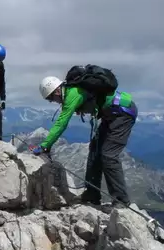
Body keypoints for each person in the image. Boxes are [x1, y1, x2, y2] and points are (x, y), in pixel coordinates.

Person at [34, 72, 138, 206]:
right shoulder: (73, 91)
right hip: (112, 114)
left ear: (57, 91)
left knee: (108, 155)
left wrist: (45, 145)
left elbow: (61, 122)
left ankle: (121, 200)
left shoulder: (72, 94)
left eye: (51, 98)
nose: (53, 101)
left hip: (123, 113)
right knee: (94, 150)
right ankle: (92, 194)